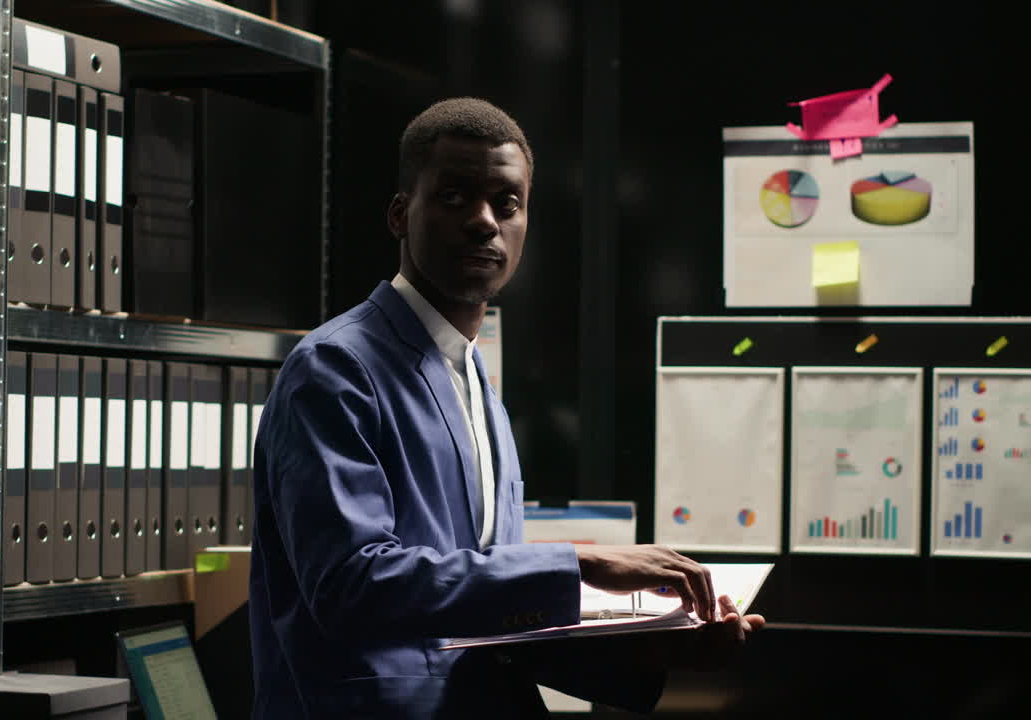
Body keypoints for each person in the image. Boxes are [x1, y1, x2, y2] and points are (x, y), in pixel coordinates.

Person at [248, 97, 764, 718]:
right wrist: (579, 564)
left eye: (507, 203)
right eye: (454, 196)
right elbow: (350, 586)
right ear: (399, 214)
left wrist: (664, 649)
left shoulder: (473, 378)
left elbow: (489, 626)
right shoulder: (335, 367)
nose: (484, 222)